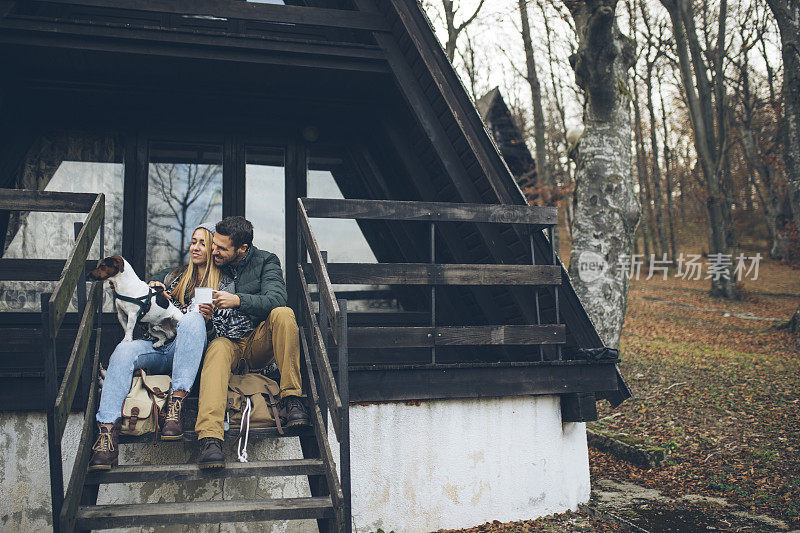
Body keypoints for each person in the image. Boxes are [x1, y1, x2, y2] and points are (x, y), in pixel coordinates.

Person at [88, 223, 220, 471]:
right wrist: (153, 291)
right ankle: (106, 436)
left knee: (192, 320)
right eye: (193, 241)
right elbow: (139, 294)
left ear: (213, 248)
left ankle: (175, 407)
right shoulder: (172, 276)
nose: (195, 247)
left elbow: (226, 333)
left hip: (192, 352)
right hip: (160, 346)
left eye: (202, 242)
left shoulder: (224, 283)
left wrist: (209, 321)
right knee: (123, 350)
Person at [195, 216, 309, 469]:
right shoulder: (212, 261)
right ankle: (210, 437)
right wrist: (155, 282)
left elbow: (277, 298)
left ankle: (292, 398)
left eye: (222, 248)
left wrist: (238, 300)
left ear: (243, 249)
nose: (214, 251)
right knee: (217, 349)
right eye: (214, 245)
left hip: (257, 341)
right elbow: (180, 271)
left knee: (284, 313)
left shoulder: (266, 261)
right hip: (226, 343)